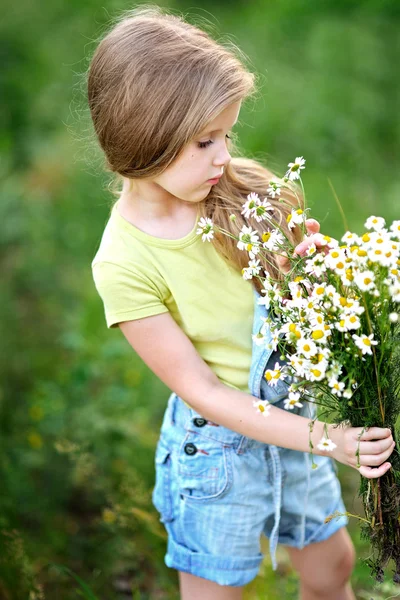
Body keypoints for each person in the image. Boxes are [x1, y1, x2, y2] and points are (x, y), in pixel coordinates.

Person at [88, 7, 395, 600]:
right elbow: (204, 390)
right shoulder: (124, 264)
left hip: (296, 418)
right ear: (141, 140)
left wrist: (314, 274)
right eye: (206, 141)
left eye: (226, 134)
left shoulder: (238, 192)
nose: (225, 155)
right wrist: (329, 439)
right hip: (219, 456)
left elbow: (298, 296)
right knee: (217, 592)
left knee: (333, 570)